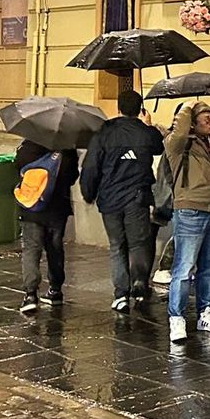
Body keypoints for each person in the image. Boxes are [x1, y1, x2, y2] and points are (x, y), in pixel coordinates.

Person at [81, 90, 165, 313]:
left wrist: (88, 193)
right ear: (139, 109)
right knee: (138, 242)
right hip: (137, 197)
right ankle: (139, 281)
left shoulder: (105, 133)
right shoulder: (145, 133)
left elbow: (91, 166)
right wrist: (148, 125)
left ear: (118, 107)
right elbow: (159, 146)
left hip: (110, 199)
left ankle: (120, 294)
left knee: (117, 246)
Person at [163, 102, 210, 343]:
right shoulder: (179, 144)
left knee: (209, 268)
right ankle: (177, 318)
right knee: (184, 269)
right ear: (193, 123)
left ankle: (205, 312)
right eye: (205, 119)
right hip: (190, 210)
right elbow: (180, 128)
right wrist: (190, 106)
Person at [13, 134, 80, 314]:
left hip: (32, 207)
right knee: (55, 248)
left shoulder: (26, 148)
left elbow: (18, 171)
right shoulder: (67, 149)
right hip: (58, 208)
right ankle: (55, 290)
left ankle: (30, 294)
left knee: (31, 249)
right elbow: (73, 175)